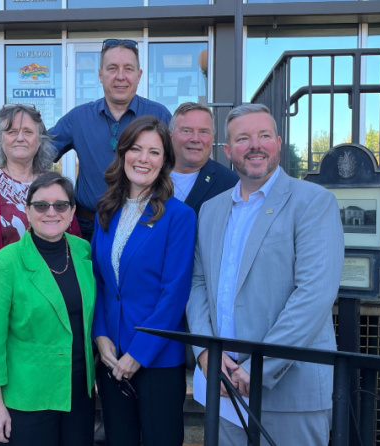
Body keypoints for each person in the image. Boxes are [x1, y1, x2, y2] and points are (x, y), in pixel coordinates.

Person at [185, 104, 344, 445]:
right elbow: (197, 284)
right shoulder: (211, 211)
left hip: (290, 392)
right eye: (243, 138)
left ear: (279, 143)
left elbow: (314, 295)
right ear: (228, 151)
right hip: (223, 389)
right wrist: (205, 351)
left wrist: (260, 367)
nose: (255, 145)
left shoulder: (314, 203)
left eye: (264, 136)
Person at [0, 104, 81, 446]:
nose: (20, 137)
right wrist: (0, 294)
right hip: (3, 306)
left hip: (49, 310)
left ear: (40, 139)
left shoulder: (53, 185)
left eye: (28, 131)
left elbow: (74, 246)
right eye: (11, 130)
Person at [91, 116, 196, 446]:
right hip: (111, 355)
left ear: (165, 161)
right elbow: (99, 282)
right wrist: (100, 334)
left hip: (157, 358)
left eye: (154, 152)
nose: (143, 159)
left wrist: (138, 353)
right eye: (136, 149)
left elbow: (174, 293)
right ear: (122, 154)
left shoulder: (179, 216)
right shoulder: (105, 211)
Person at [0, 172, 95, 446]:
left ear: (72, 211)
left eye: (60, 205)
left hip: (78, 394)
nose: (51, 212)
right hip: (28, 398)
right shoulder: (2, 265)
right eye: (41, 205)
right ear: (27, 211)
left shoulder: (83, 251)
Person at [51, 38, 172, 241]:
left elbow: (178, 167)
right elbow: (38, 153)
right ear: (100, 74)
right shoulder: (78, 118)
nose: (120, 77)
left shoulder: (159, 116)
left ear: (139, 75)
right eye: (112, 68)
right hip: (87, 229)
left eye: (128, 69)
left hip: (144, 227)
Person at [169, 102, 238, 215]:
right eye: (187, 131)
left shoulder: (230, 184)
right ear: (170, 136)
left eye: (203, 132)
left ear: (212, 138)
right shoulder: (151, 175)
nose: (195, 139)